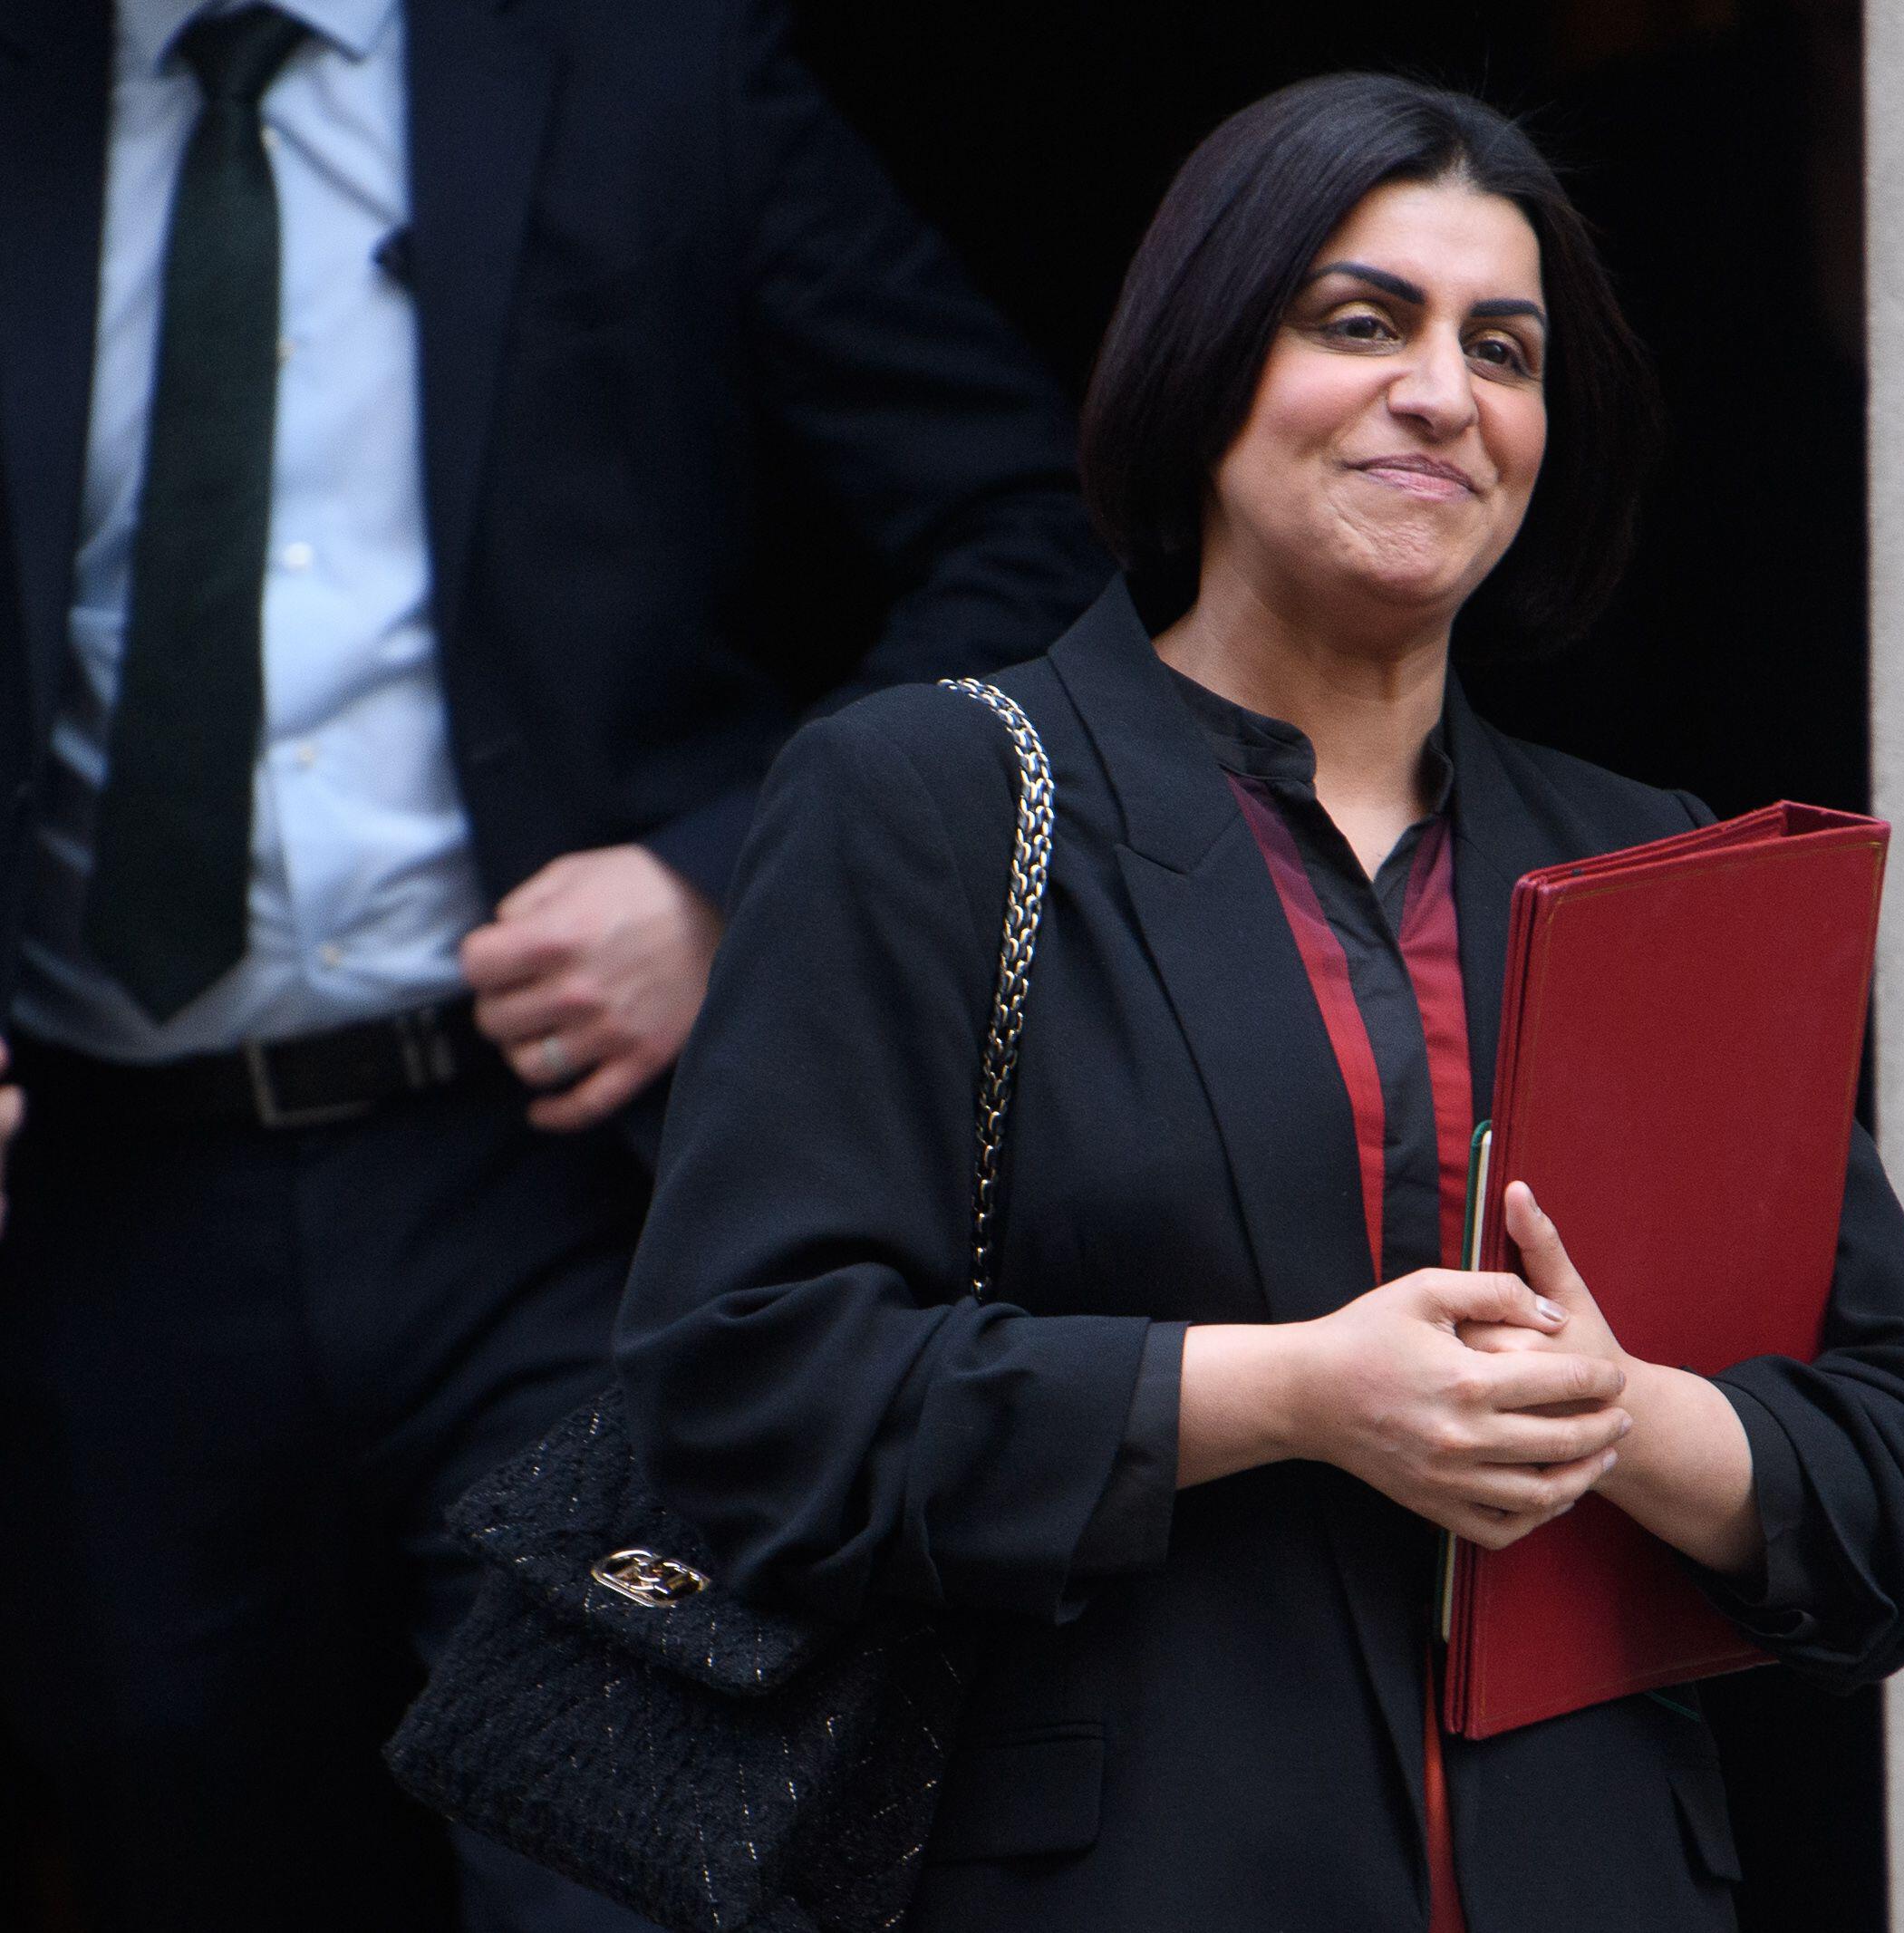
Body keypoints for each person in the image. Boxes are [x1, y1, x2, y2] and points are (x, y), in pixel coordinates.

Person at [616, 73, 1904, 1932]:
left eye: (1502, 350)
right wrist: (1289, 1392)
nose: (1442, 392)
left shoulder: (1656, 868)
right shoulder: (931, 801)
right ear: (1204, 365)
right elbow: (744, 1401)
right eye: (1361, 322)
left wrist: (1621, 1416)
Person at [0, 0, 1110, 1927]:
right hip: (108, 1213)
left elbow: (1035, 525)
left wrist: (733, 879)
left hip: (568, 1187)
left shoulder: (646, 62)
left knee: (615, 1868)